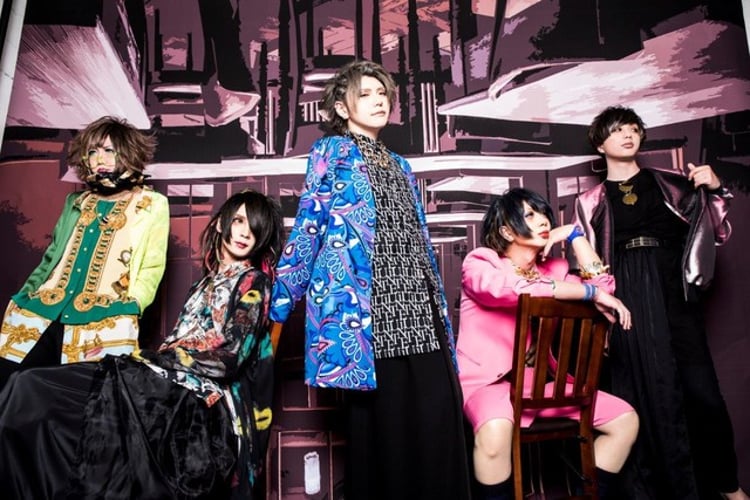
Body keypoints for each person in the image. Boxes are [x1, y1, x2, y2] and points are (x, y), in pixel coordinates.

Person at [269, 59, 471, 500]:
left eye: (383, 94)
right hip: (367, 310)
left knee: (438, 413)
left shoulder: (401, 164)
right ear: (342, 107)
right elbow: (309, 225)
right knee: (384, 424)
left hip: (416, 303)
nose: (379, 101)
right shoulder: (332, 152)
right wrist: (280, 302)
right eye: (366, 94)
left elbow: (418, 236)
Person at [0, 190, 283, 499]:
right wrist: (140, 360)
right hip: (161, 383)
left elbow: (229, 358)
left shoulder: (254, 282)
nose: (245, 232)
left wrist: (147, 358)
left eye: (254, 227)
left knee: (78, 405)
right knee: (29, 387)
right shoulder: (201, 285)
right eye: (238, 220)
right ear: (219, 224)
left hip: (198, 401)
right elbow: (174, 346)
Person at [572, 105, 748, 500]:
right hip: (625, 298)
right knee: (640, 392)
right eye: (617, 130)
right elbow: (584, 260)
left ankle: (727, 486)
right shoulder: (589, 201)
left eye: (633, 128)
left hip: (673, 291)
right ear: (600, 144)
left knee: (701, 391)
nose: (628, 135)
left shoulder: (673, 184)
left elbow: (716, 233)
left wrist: (715, 188)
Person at [458, 187, 639, 500]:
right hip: (486, 384)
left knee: (625, 420)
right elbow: (512, 288)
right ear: (506, 231)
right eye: (530, 215)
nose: (543, 220)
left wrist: (574, 235)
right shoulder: (482, 262)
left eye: (543, 214)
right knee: (495, 430)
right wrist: (590, 293)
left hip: (537, 383)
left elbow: (604, 289)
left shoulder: (554, 270)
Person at [0, 116, 170, 383]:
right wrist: (27, 292)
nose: (99, 159)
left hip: (104, 317)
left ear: (128, 153)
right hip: (44, 309)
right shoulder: (75, 202)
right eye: (92, 152)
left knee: (81, 394)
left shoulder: (151, 203)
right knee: (8, 378)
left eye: (109, 150)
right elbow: (51, 256)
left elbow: (152, 264)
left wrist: (133, 304)